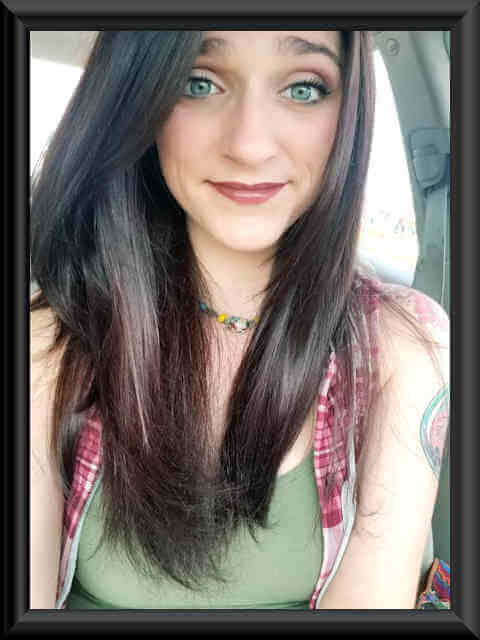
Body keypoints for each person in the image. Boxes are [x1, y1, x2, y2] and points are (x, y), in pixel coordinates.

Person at [30, 30, 450, 610]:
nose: (250, 145)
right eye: (198, 83)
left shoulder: (404, 346)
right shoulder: (52, 343)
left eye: (304, 88)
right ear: (138, 98)